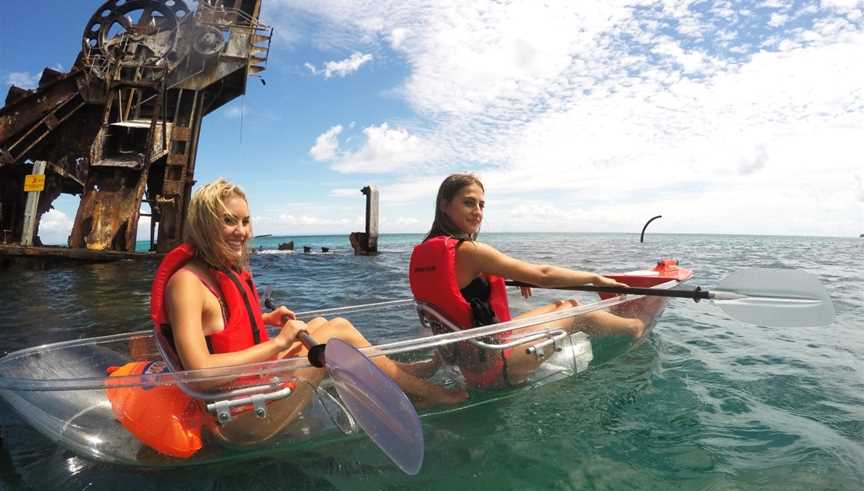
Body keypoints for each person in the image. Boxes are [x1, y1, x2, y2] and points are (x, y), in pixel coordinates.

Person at [156, 178, 466, 445]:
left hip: (252, 390)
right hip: (236, 419)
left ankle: (402, 375)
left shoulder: (214, 272)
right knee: (336, 333)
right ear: (204, 225)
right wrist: (278, 343)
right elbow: (200, 375)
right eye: (228, 221)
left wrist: (265, 319)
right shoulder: (187, 283)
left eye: (245, 221)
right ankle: (423, 392)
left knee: (322, 323)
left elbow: (218, 327)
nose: (241, 231)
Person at [409, 173, 653, 389]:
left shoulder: (424, 253)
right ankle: (636, 327)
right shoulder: (470, 251)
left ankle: (433, 365)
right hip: (497, 368)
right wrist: (596, 278)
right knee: (576, 311)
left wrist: (505, 274)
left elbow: (460, 287)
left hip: (465, 362)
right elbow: (543, 274)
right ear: (444, 205)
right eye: (468, 203)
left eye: (481, 205)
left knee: (561, 305)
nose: (477, 211)